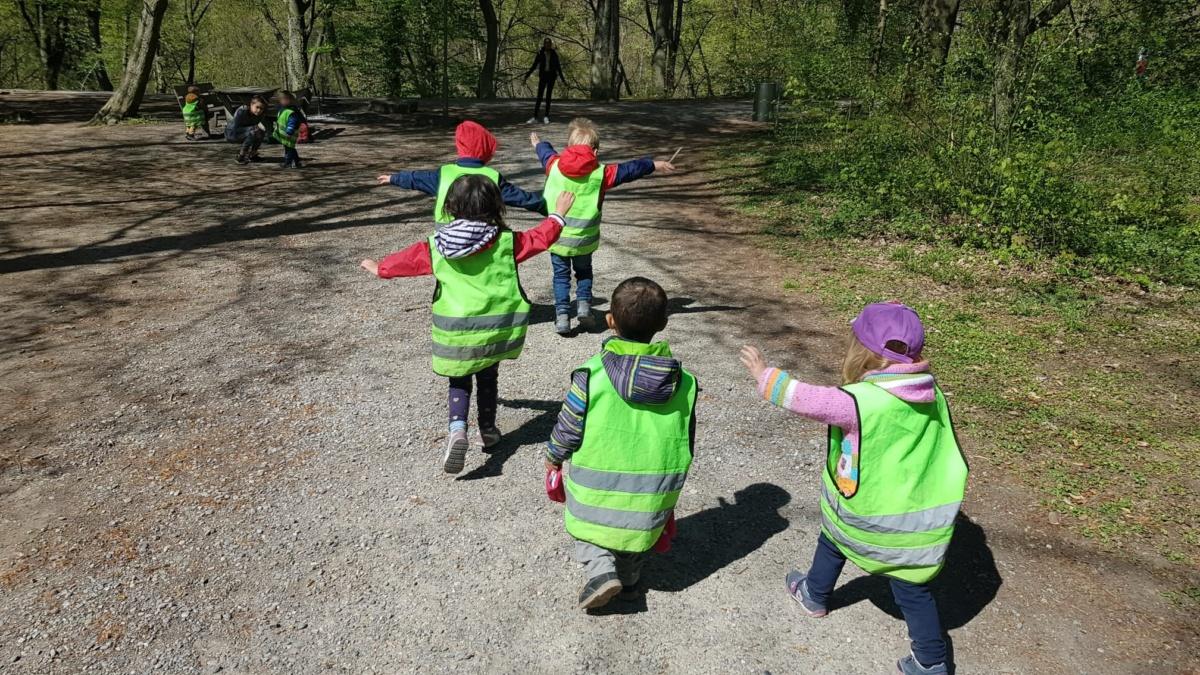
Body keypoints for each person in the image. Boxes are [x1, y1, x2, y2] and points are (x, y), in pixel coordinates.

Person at [738, 302, 969, 675]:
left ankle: (814, 594)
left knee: (833, 537)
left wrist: (765, 374)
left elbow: (806, 398)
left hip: (866, 515)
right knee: (912, 586)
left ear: (864, 352)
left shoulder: (858, 401)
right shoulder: (931, 394)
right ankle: (931, 660)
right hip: (918, 521)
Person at [360, 176, 575, 474]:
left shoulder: (437, 245)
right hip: (494, 330)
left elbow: (409, 260)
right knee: (488, 376)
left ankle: (458, 430)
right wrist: (558, 215)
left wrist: (380, 268)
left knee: (459, 379)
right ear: (495, 207)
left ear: (451, 206)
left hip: (455, 333)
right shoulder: (505, 242)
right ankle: (487, 429)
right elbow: (541, 238)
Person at [544, 277, 697, 610]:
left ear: (610, 321)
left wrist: (554, 456)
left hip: (596, 485)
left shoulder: (592, 373)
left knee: (588, 528)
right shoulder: (684, 382)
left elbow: (569, 425)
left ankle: (601, 572)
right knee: (631, 532)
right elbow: (688, 435)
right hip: (653, 486)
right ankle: (629, 585)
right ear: (663, 324)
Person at [529, 118, 675, 335]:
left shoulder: (554, 165)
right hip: (585, 240)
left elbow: (545, 153)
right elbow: (630, 170)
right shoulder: (601, 173)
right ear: (595, 151)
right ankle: (584, 306)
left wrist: (539, 143)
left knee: (560, 276)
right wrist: (653, 164)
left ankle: (561, 316)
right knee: (584, 273)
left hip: (557, 237)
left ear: (569, 147)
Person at [375, 121, 546, 228]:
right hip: (482, 239)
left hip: (446, 241)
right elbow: (522, 198)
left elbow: (417, 178)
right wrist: (547, 207)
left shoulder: (445, 173)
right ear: (486, 150)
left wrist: (394, 178)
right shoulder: (492, 176)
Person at [523, 38, 567, 124]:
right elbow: (534, 65)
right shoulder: (540, 53)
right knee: (539, 96)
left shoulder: (554, 54)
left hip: (551, 76)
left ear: (551, 45)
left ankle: (546, 116)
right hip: (543, 76)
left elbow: (558, 68)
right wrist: (526, 76)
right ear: (544, 44)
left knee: (548, 97)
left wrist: (563, 80)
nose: (547, 45)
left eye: (549, 43)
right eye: (546, 43)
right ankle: (535, 117)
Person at [225, 94, 270, 164]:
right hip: (232, 133)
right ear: (251, 104)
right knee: (254, 130)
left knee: (261, 132)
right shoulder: (242, 111)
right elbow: (234, 128)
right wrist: (251, 129)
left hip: (247, 132)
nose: (259, 110)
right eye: (257, 107)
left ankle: (253, 155)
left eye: (261, 108)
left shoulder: (261, 114)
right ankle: (240, 156)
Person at [273, 90, 303, 169]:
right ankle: (297, 162)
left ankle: (288, 163)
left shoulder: (291, 111)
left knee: (289, 149)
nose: (282, 101)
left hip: (290, 134)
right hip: (284, 134)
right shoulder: (283, 109)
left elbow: (292, 122)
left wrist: (289, 131)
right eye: (281, 100)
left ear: (289, 99)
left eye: (284, 99)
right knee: (290, 148)